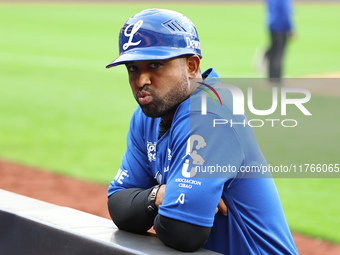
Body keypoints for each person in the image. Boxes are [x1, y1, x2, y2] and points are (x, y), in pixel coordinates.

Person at [106, 9, 298, 254]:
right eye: (132, 68)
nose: (142, 80)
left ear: (192, 66)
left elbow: (183, 232)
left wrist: (149, 204)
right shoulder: (147, 116)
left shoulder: (211, 113)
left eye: (155, 64)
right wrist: (160, 195)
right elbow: (118, 206)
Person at [264, 0, 294, 83]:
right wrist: (290, 28)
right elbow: (285, 12)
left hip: (271, 24)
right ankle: (277, 78)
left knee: (273, 53)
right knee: (279, 53)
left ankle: (271, 77)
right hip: (281, 27)